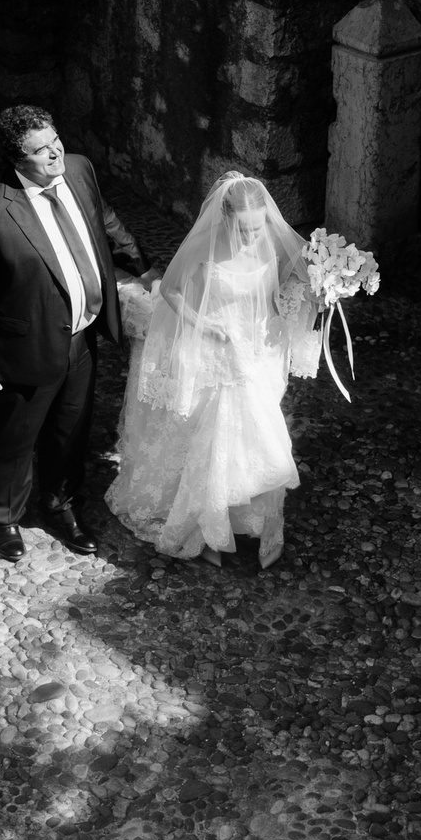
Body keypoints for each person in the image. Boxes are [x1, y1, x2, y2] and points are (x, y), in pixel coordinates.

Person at [0, 105, 144, 562]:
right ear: (18, 161)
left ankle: (60, 504)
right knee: (14, 436)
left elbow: (105, 218)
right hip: (26, 346)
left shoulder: (79, 169)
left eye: (55, 138)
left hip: (82, 338)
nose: (55, 152)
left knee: (71, 430)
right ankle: (3, 515)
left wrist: (143, 264)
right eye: (41, 150)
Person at [105, 172, 316, 567]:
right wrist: (203, 325)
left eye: (258, 226)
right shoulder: (204, 244)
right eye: (244, 228)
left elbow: (294, 281)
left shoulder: (274, 240)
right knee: (217, 437)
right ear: (226, 216)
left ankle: (251, 523)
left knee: (254, 439)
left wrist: (321, 289)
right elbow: (170, 290)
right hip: (216, 350)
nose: (253, 235)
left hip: (258, 349)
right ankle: (206, 524)